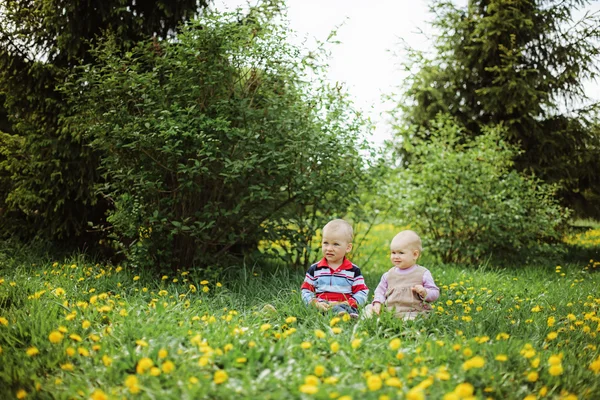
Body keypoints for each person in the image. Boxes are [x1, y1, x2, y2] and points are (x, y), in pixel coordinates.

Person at [301, 219, 369, 318]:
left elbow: (362, 292)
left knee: (345, 308)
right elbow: (306, 290)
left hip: (344, 305)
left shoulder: (353, 271)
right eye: (325, 243)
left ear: (348, 248)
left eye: (335, 244)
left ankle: (344, 315)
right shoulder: (315, 269)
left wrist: (350, 302)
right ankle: (343, 316)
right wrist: (313, 302)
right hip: (322, 305)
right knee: (314, 310)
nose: (329, 248)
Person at [364, 230, 439, 320]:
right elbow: (380, 291)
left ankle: (406, 324)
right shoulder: (388, 275)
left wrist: (425, 292)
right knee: (368, 308)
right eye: (393, 252)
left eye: (401, 253)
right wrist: (377, 303)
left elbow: (435, 293)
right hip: (390, 311)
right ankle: (368, 321)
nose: (396, 256)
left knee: (411, 319)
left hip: (413, 311)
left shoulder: (422, 273)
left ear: (415, 255)